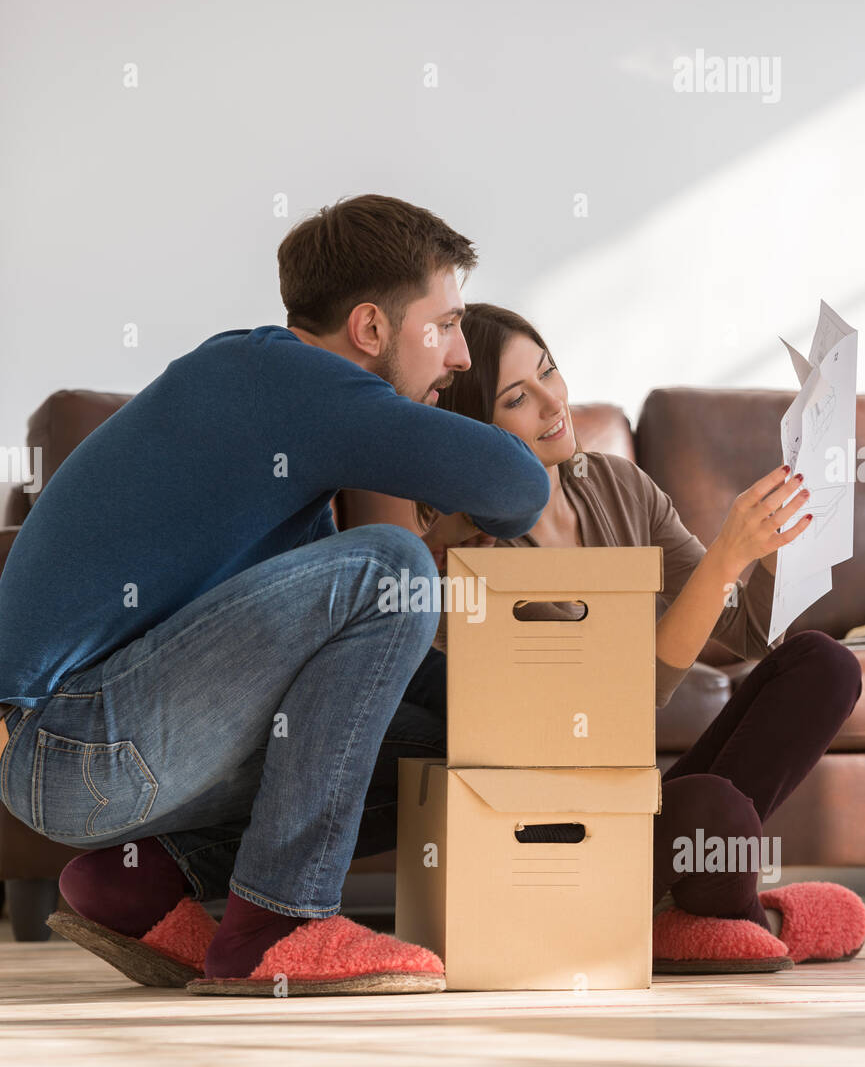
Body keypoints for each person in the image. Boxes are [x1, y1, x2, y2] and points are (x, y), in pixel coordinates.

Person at [0, 198, 551, 996]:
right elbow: (518, 487)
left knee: (441, 741)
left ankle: (139, 881)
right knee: (386, 565)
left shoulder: (275, 417)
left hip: (93, 754)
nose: (461, 355)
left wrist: (499, 713)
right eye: (446, 323)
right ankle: (279, 924)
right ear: (369, 329)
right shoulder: (289, 383)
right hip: (72, 740)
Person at [415, 303, 865, 974]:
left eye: (548, 372)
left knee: (823, 665)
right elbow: (615, 706)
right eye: (516, 397)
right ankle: (736, 917)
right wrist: (721, 558)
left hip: (633, 810)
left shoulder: (614, 485)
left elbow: (739, 632)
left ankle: (697, 915)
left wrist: (766, 552)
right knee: (714, 814)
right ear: (477, 432)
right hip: (560, 832)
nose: (550, 403)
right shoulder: (477, 558)